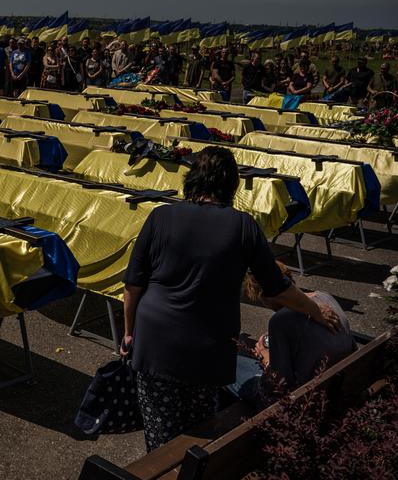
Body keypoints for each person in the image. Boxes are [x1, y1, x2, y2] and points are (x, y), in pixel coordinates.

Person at [121, 147, 341, 452]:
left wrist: (129, 332)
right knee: (199, 431)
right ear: (231, 184)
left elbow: (133, 286)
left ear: (192, 180)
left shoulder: (160, 216)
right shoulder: (243, 226)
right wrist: (314, 310)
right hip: (208, 348)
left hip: (155, 342)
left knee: (161, 436)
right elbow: (276, 288)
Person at [229, 261, 354, 405]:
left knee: (222, 365)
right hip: (336, 383)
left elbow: (278, 384)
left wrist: (266, 356)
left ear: (264, 295)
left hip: (303, 399)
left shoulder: (280, 321)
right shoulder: (325, 297)